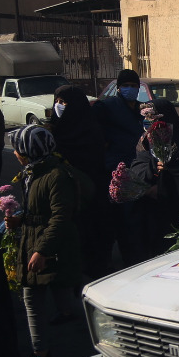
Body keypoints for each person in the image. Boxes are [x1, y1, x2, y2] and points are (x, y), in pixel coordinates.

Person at [5, 126, 82, 357]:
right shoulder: (33, 172)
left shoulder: (56, 176)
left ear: (28, 151)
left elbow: (60, 217)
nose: (16, 153)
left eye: (18, 148)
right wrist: (20, 220)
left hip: (46, 245)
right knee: (58, 291)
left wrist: (41, 250)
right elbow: (38, 211)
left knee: (32, 299)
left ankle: (42, 354)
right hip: (37, 241)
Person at [49, 85, 108, 279]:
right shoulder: (53, 133)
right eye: (57, 102)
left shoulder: (91, 130)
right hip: (64, 200)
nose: (59, 106)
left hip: (91, 196)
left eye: (64, 103)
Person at [93, 68, 146, 268]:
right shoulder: (107, 107)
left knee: (135, 219)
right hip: (117, 170)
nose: (130, 89)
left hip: (139, 167)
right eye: (126, 86)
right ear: (119, 87)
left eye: (134, 86)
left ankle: (136, 257)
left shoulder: (141, 110)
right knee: (123, 218)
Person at [130, 98, 179, 257]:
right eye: (148, 117)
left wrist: (171, 169)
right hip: (153, 203)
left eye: (155, 117)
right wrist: (151, 176)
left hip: (178, 203)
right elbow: (137, 166)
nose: (151, 122)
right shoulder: (145, 140)